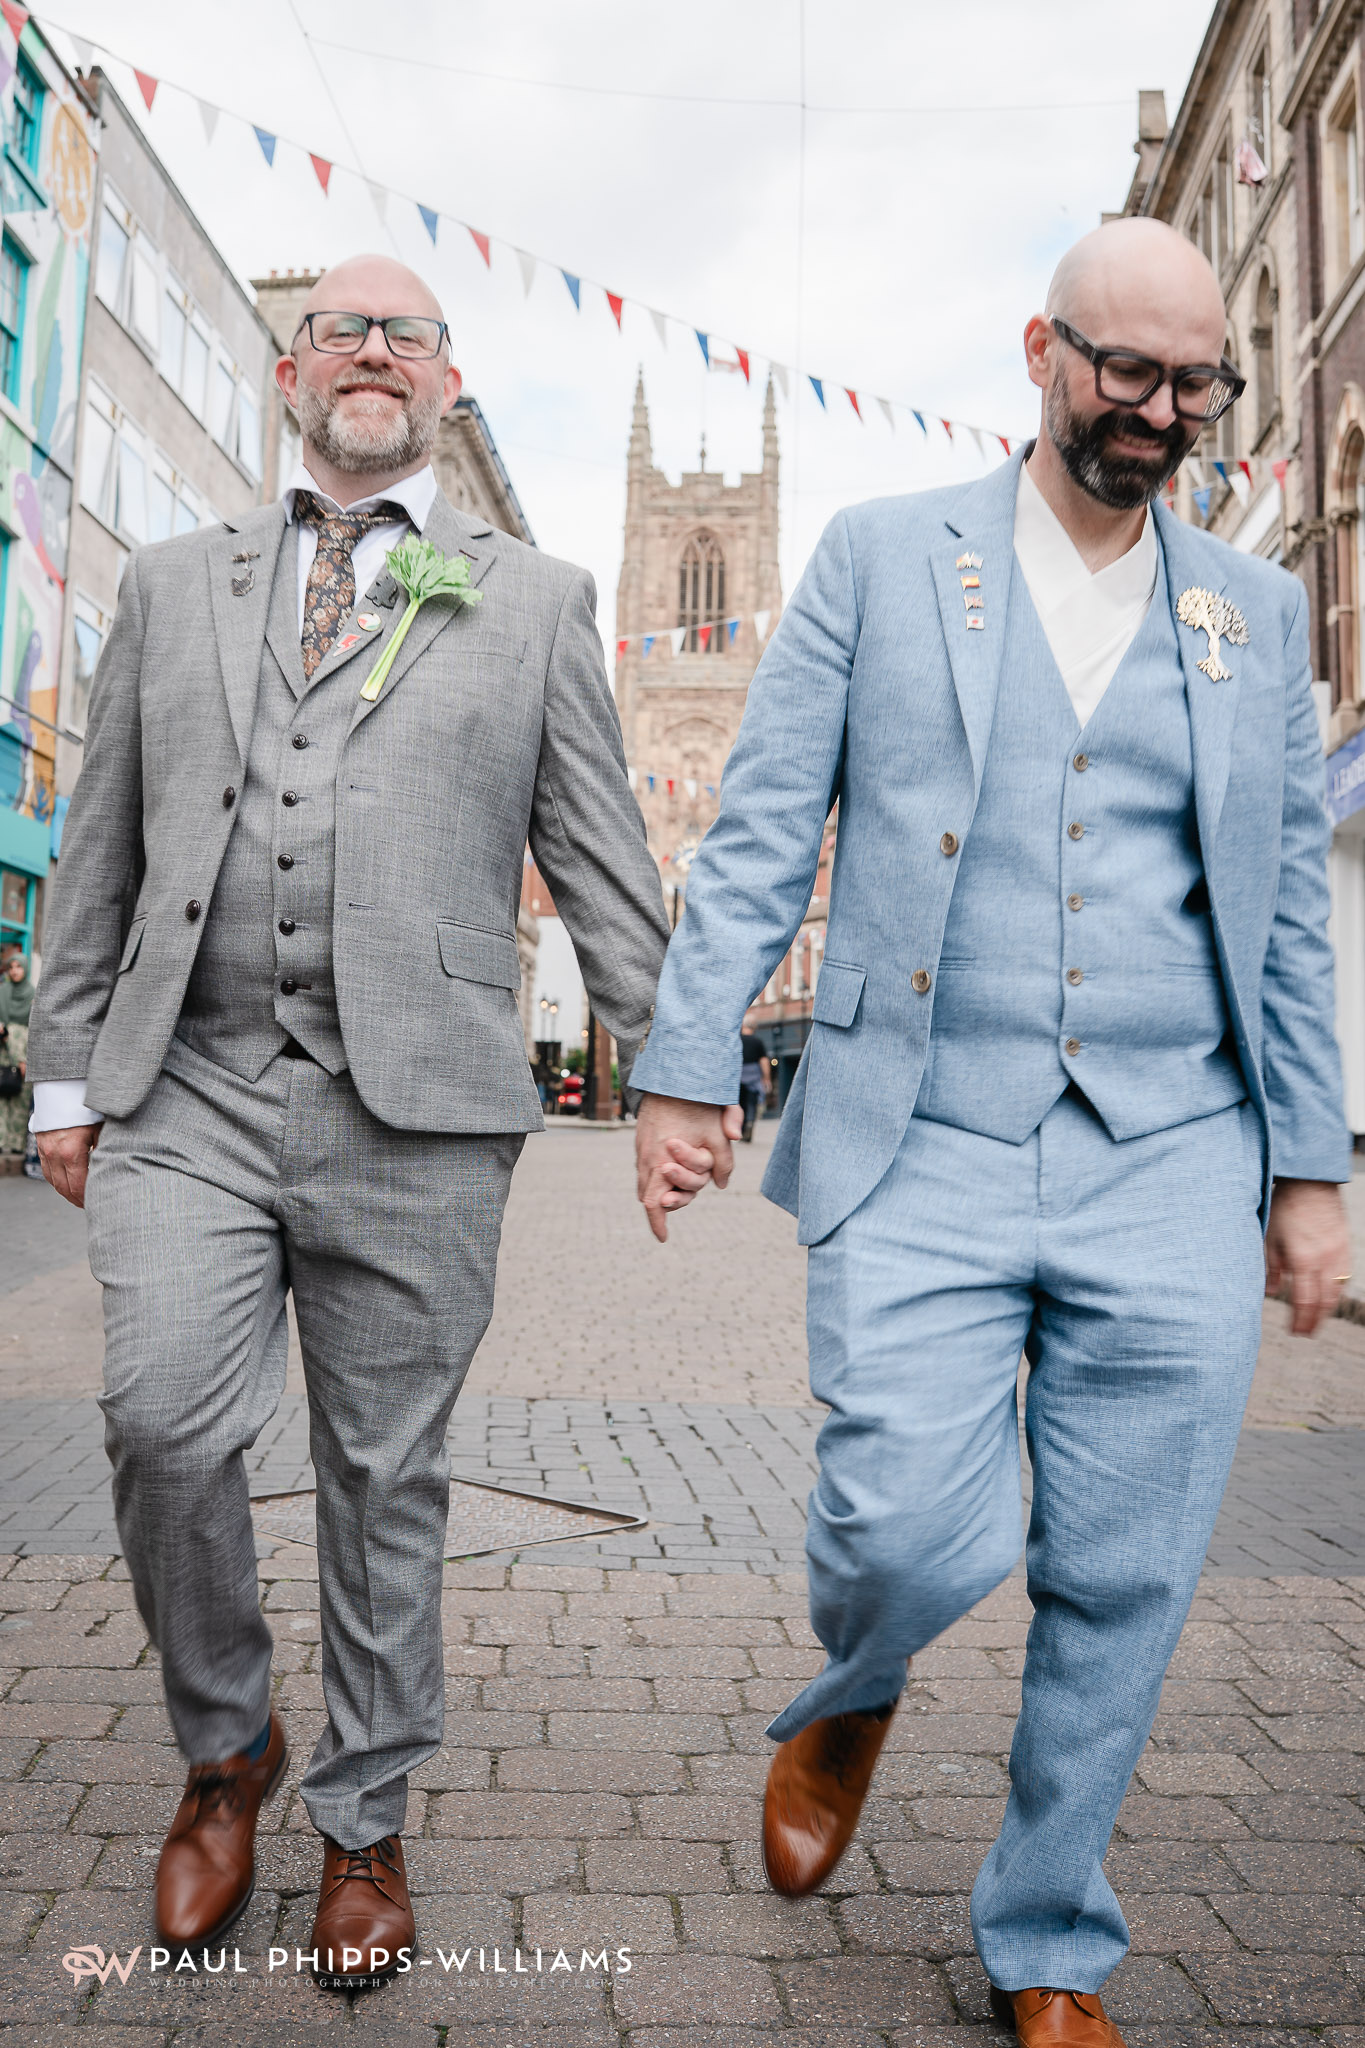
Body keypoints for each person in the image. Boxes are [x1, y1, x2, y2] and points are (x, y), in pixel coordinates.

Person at [631, 218, 1350, 2047]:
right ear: (1040, 349)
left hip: (1174, 1141)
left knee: (1127, 1565)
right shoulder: (887, 556)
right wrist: (682, 1064)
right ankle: (856, 1679)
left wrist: (1315, 1170)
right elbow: (763, 822)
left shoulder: (1254, 613)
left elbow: (1282, 914)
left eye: (1198, 382)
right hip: (924, 1127)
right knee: (900, 1520)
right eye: (1127, 371)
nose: (1162, 410)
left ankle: (1049, 1938)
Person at [28, 254, 668, 1990]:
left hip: (425, 1107)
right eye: (340, 328)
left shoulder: (533, 599)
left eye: (409, 333)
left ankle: (365, 1815)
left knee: (388, 1475)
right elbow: (100, 849)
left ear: (447, 386)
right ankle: (227, 1745)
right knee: (162, 1421)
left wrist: (672, 1063)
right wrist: (66, 1073)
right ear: (291, 370)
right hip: (191, 1084)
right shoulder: (171, 583)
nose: (371, 351)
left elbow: (604, 853)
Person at [0, 953, 37, 1173]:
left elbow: (35, 1029)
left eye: (19, 967)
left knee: (21, 1099)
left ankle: (16, 1144)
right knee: (1, 1097)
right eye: (11, 967)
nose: (14, 971)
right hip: (2, 1052)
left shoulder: (32, 994)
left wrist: (25, 1058)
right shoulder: (2, 992)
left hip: (23, 1051)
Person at [738, 1029, 770, 1141]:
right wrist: (766, 1078)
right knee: (751, 1103)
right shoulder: (758, 1041)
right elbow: (764, 1061)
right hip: (753, 1076)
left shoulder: (737, 1040)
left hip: (739, 1075)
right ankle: (750, 1122)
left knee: (741, 1105)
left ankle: (742, 1130)